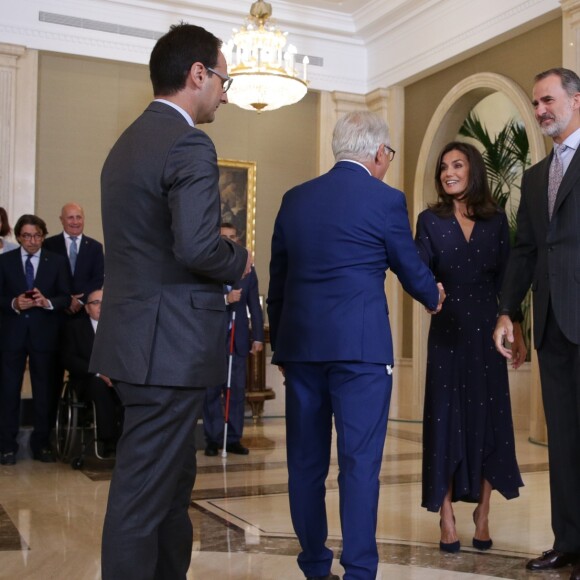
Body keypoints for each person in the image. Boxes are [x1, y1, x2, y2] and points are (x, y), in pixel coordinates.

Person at [88, 23, 249, 580]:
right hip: (167, 350)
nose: (225, 93)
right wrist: (241, 261)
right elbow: (199, 246)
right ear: (197, 74)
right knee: (140, 501)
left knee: (169, 488)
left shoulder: (125, 143)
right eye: (223, 80)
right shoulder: (188, 141)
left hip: (136, 344)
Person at [267, 111, 445, 580]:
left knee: (304, 464)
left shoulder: (295, 199)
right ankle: (360, 571)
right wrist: (434, 294)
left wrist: (282, 347)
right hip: (361, 353)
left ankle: (313, 565)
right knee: (359, 465)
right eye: (388, 155)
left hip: (302, 350)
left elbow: (278, 280)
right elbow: (408, 266)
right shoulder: (385, 200)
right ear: (377, 153)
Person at [416, 141, 526, 553]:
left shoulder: (496, 221)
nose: (448, 172)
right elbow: (418, 266)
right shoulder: (430, 220)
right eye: (444, 167)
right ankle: (446, 517)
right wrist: (429, 293)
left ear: (472, 170)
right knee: (444, 422)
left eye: (457, 165)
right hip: (446, 331)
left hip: (487, 332)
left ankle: (483, 513)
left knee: (488, 421)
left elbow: (508, 281)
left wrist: (516, 327)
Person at [493, 67, 580, 580]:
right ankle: (567, 542)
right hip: (552, 325)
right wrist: (508, 310)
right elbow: (526, 250)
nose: (541, 109)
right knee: (564, 442)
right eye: (536, 103)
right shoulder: (533, 176)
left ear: (575, 99)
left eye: (548, 100)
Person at [0, 214, 71, 465]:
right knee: (8, 392)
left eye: (38, 235)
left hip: (45, 335)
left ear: (43, 236)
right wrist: (14, 303)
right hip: (11, 336)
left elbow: (66, 297)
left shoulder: (57, 262)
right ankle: (6, 446)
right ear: (18, 236)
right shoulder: (5, 261)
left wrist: (47, 302)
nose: (32, 241)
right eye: (27, 236)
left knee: (44, 392)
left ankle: (41, 444)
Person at [203, 222, 264, 457]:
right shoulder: (209, 268)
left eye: (232, 236)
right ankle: (213, 438)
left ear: (237, 239)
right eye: (224, 237)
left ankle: (234, 437)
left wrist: (257, 336)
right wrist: (225, 299)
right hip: (213, 341)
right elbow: (202, 302)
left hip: (237, 340)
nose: (229, 240)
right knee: (211, 392)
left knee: (236, 391)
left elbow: (254, 308)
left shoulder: (248, 269)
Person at [62, 288, 122, 456]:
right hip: (86, 381)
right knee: (98, 385)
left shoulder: (120, 328)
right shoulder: (74, 328)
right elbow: (69, 359)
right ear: (87, 308)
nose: (101, 306)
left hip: (116, 378)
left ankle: (130, 442)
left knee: (129, 388)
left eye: (105, 302)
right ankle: (109, 441)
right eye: (96, 303)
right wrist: (99, 373)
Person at [43, 202, 105, 315]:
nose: (75, 222)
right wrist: (67, 300)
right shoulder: (49, 245)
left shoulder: (95, 247)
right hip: (56, 310)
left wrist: (81, 300)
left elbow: (98, 278)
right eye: (70, 218)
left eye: (78, 217)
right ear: (61, 220)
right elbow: (46, 277)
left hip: (84, 311)